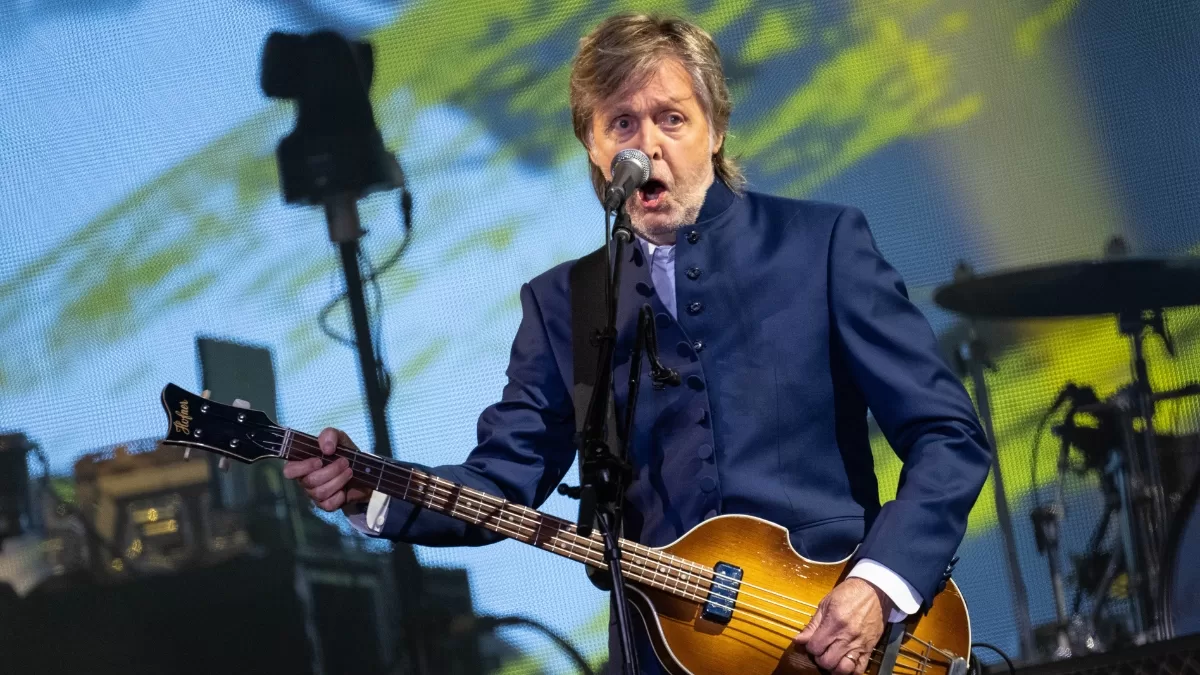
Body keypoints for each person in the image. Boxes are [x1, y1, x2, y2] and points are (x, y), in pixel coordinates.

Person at [283, 13, 992, 675]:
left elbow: (948, 435)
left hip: (834, 641)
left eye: (671, 118)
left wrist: (877, 585)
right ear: (594, 148)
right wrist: (373, 489)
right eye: (620, 122)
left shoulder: (821, 244)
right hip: (659, 655)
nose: (646, 145)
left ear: (715, 129)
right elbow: (503, 479)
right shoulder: (562, 303)